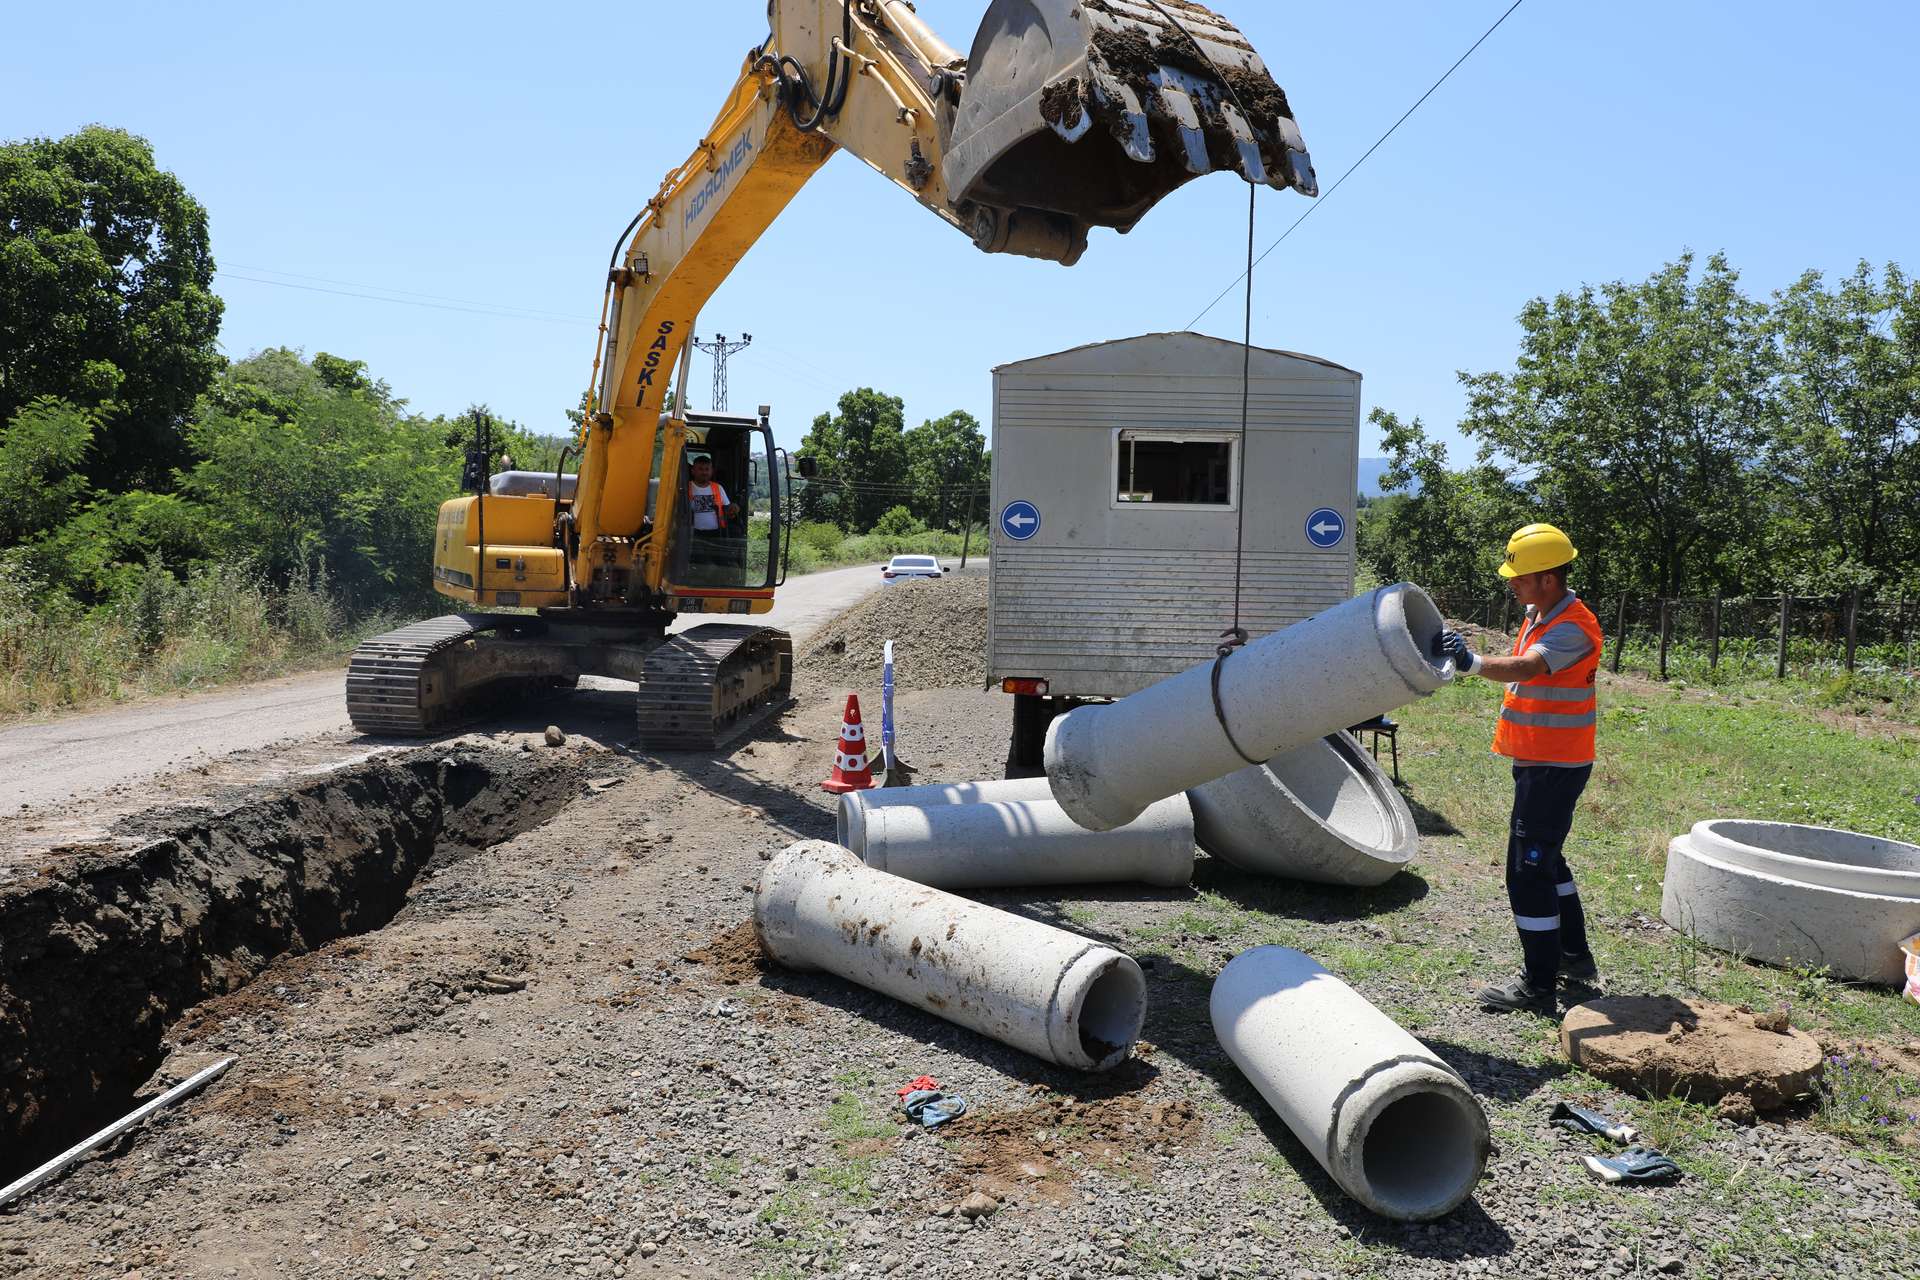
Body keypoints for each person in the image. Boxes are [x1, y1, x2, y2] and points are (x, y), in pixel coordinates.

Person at [1436, 522, 1604, 1014]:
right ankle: (1573, 958)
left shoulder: (1572, 626)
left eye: (1520, 575)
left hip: (1556, 764)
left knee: (1527, 872)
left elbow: (1529, 667)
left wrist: (1471, 662)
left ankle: (1538, 985)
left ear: (1549, 577)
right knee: (1547, 862)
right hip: (1542, 760)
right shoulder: (1542, 611)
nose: (1511, 583)